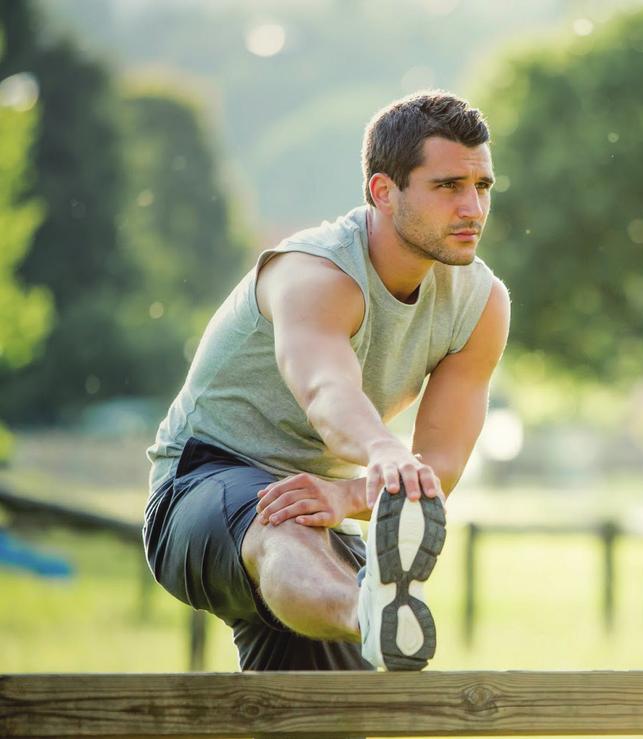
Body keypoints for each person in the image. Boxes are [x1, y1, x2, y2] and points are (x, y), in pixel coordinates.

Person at [143, 91, 510, 672]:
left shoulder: (481, 303)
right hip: (199, 484)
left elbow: (440, 463)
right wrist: (383, 451)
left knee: (329, 719)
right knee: (284, 527)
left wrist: (346, 494)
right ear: (383, 192)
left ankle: (372, 614)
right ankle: (370, 611)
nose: (472, 208)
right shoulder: (316, 273)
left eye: (482, 186)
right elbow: (325, 392)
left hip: (315, 504)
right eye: (447, 187)